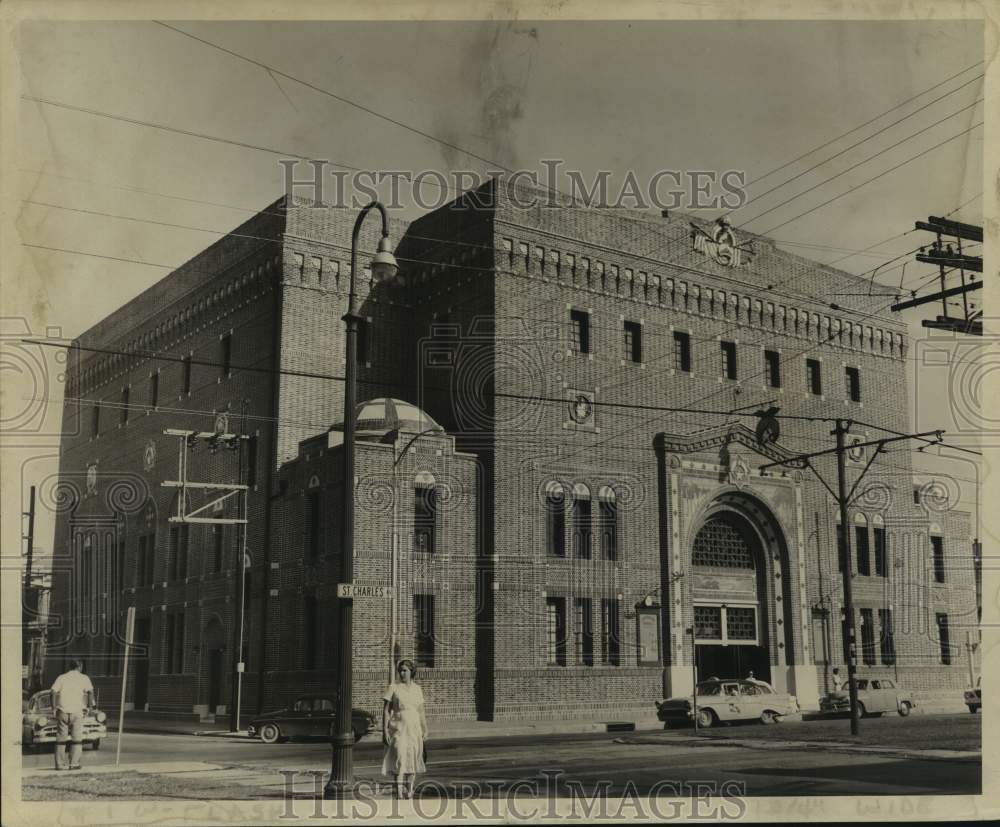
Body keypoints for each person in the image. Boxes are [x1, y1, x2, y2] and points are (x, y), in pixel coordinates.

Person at [381, 659, 428, 799]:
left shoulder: (417, 689)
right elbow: (386, 711)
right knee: (400, 758)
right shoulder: (393, 688)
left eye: (405, 671)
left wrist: (425, 728)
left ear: (411, 672)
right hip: (398, 728)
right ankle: (400, 794)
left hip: (414, 729)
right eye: (400, 670)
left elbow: (421, 711)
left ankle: (410, 791)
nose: (402, 673)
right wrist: (384, 730)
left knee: (412, 759)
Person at [51, 658, 95, 771]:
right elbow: (90, 692)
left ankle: (59, 764)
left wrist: (54, 708)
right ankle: (74, 763)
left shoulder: (62, 677)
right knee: (77, 738)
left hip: (63, 711)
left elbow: (53, 691)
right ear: (80, 666)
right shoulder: (84, 678)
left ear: (69, 667)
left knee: (61, 738)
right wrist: (89, 707)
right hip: (77, 711)